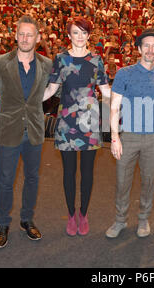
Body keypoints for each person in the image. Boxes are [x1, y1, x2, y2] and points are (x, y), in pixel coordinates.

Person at [0, 15, 53, 249]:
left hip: (34, 130)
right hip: (7, 130)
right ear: (15, 36)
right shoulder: (0, 62)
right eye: (21, 34)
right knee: (6, 182)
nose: (24, 38)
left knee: (32, 178)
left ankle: (27, 219)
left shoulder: (47, 64)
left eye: (29, 34)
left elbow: (55, 88)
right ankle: (3, 223)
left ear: (38, 38)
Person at [43, 17, 110, 237]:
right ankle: (71, 214)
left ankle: (84, 213)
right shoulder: (60, 59)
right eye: (75, 32)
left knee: (88, 172)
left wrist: (129, 98)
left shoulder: (96, 60)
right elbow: (51, 89)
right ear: (69, 35)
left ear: (89, 35)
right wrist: (29, 100)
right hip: (66, 122)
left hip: (89, 121)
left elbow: (106, 91)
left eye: (83, 33)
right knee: (69, 172)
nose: (79, 37)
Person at [106, 28, 154, 239]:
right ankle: (120, 220)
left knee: (149, 181)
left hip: (153, 138)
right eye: (146, 45)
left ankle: (143, 219)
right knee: (122, 181)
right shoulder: (124, 73)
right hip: (128, 136)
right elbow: (114, 107)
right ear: (139, 48)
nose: (150, 50)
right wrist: (115, 137)